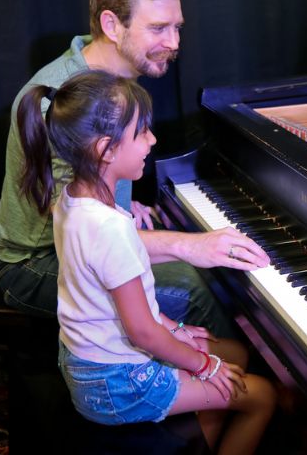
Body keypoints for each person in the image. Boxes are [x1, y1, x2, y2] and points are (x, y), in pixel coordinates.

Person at [0, 0, 267, 339]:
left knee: (200, 261)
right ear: (111, 25)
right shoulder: (61, 101)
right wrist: (191, 245)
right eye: (157, 28)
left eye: (176, 27)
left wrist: (121, 199)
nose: (173, 43)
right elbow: (81, 237)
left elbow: (93, 185)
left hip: (79, 240)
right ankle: (236, 389)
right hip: (36, 266)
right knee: (194, 286)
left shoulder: (115, 73)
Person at [16, 70, 276, 453]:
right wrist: (203, 365)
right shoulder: (109, 229)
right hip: (118, 382)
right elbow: (141, 332)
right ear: (105, 149)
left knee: (234, 354)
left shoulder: (70, 200)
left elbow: (117, 304)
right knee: (261, 395)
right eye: (141, 132)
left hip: (87, 363)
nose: (152, 140)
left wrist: (176, 328)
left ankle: (198, 432)